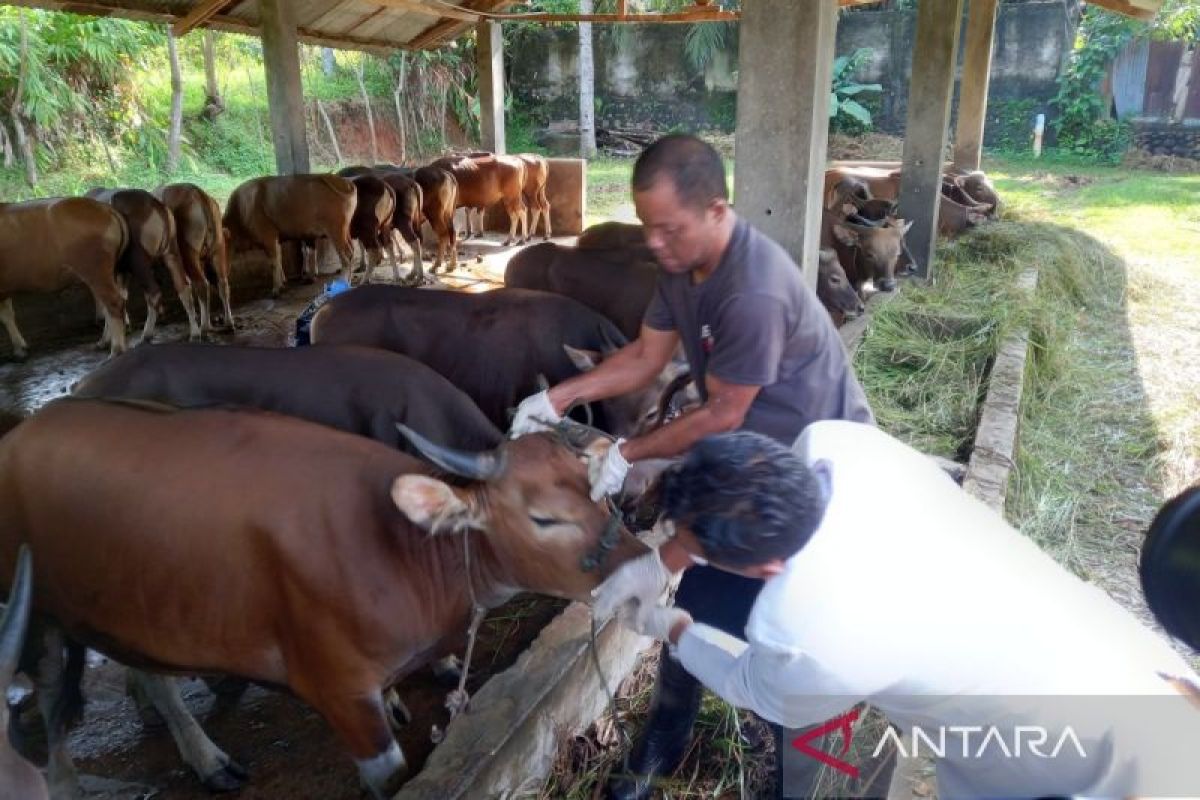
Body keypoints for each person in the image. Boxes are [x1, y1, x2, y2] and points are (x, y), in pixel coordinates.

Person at [509, 133, 873, 799]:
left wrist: (625, 451)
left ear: (716, 210)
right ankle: (665, 737)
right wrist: (557, 397)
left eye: (667, 228)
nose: (654, 243)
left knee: (804, 644)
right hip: (748, 472)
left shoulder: (752, 290)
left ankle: (800, 781)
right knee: (701, 606)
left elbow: (725, 412)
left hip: (816, 478)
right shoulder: (680, 268)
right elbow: (646, 360)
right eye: (647, 227)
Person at [596, 424, 1200, 798]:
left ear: (764, 572)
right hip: (1129, 665)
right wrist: (667, 559)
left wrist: (667, 624)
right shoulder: (846, 451)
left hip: (1080, 766)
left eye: (698, 553)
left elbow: (752, 684)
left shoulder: (812, 632)